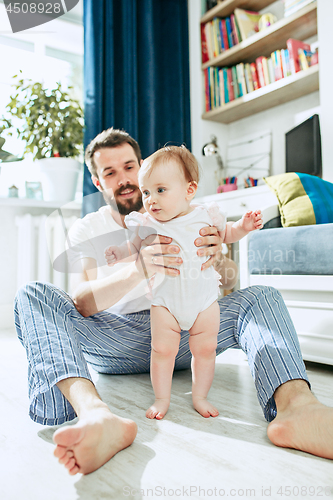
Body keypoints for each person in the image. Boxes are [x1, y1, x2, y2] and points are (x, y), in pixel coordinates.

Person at [14, 128, 333, 477]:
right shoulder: (87, 229)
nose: (124, 180)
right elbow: (83, 304)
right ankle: (95, 416)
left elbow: (228, 283)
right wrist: (140, 267)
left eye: (129, 167)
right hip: (115, 341)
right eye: (110, 173)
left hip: (187, 333)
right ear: (96, 181)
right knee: (33, 294)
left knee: (262, 296)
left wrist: (218, 254)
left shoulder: (194, 213)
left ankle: (297, 409)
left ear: (142, 165)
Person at [105, 145, 263, 420]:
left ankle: (199, 396)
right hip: (165, 304)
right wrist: (118, 253)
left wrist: (244, 227)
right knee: (162, 350)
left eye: (160, 190)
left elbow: (228, 234)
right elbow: (132, 248)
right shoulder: (147, 223)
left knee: (205, 350)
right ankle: (161, 398)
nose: (151, 199)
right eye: (146, 192)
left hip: (204, 303)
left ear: (189, 191)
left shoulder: (207, 215)